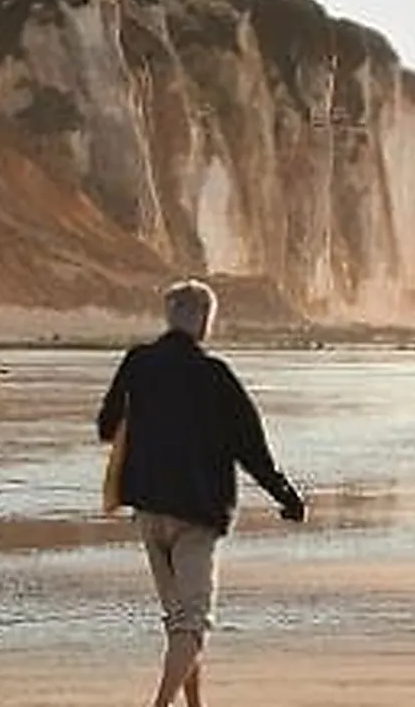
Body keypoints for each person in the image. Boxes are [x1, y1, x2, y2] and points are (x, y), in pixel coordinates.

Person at [96, 278, 306, 707]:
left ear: (169, 318)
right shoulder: (215, 376)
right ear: (205, 323)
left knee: (179, 620)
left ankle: (195, 705)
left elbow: (105, 425)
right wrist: (285, 495)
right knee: (192, 623)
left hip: (149, 509)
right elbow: (252, 448)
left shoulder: (138, 362)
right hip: (197, 513)